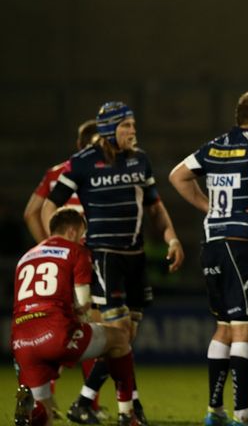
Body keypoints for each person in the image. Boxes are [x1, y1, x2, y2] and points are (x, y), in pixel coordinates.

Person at [41, 101, 185, 425]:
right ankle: (127, 412)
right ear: (109, 129)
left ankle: (86, 401)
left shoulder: (140, 160)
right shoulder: (82, 163)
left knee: (126, 338)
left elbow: (155, 207)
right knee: (118, 333)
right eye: (126, 126)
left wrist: (172, 238)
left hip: (135, 259)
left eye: (133, 126)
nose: (133, 132)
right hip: (104, 258)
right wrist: (60, 248)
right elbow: (48, 207)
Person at [169, 91, 248, 426]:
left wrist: (210, 209)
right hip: (243, 242)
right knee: (245, 329)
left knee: (225, 328)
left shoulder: (215, 146)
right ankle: (243, 414)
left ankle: (215, 410)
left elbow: (178, 176)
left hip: (213, 241)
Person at [12, 209, 138, 426]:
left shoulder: (26, 257)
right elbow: (83, 302)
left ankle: (34, 410)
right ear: (71, 230)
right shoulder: (75, 250)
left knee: (47, 414)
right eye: (81, 233)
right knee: (120, 338)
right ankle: (127, 415)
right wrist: (85, 318)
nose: (82, 238)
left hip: (21, 342)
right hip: (55, 332)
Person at [21, 119, 103, 419]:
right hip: (87, 261)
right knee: (91, 325)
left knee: (46, 325)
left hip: (54, 266)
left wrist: (49, 250)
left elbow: (30, 212)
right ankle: (88, 405)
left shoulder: (56, 173)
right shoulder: (98, 169)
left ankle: (42, 402)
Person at [24, 119, 99, 243]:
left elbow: (30, 213)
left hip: (65, 250)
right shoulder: (111, 172)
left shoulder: (55, 173)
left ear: (79, 143)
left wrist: (50, 245)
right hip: (98, 249)